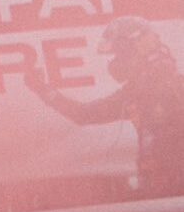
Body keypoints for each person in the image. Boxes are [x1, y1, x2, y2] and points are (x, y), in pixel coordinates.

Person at [29, 16, 184, 198]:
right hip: (163, 191)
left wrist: (42, 89)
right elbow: (84, 115)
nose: (115, 64)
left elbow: (83, 115)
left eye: (119, 55)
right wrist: (42, 89)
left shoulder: (156, 91)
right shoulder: (136, 94)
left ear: (132, 52)